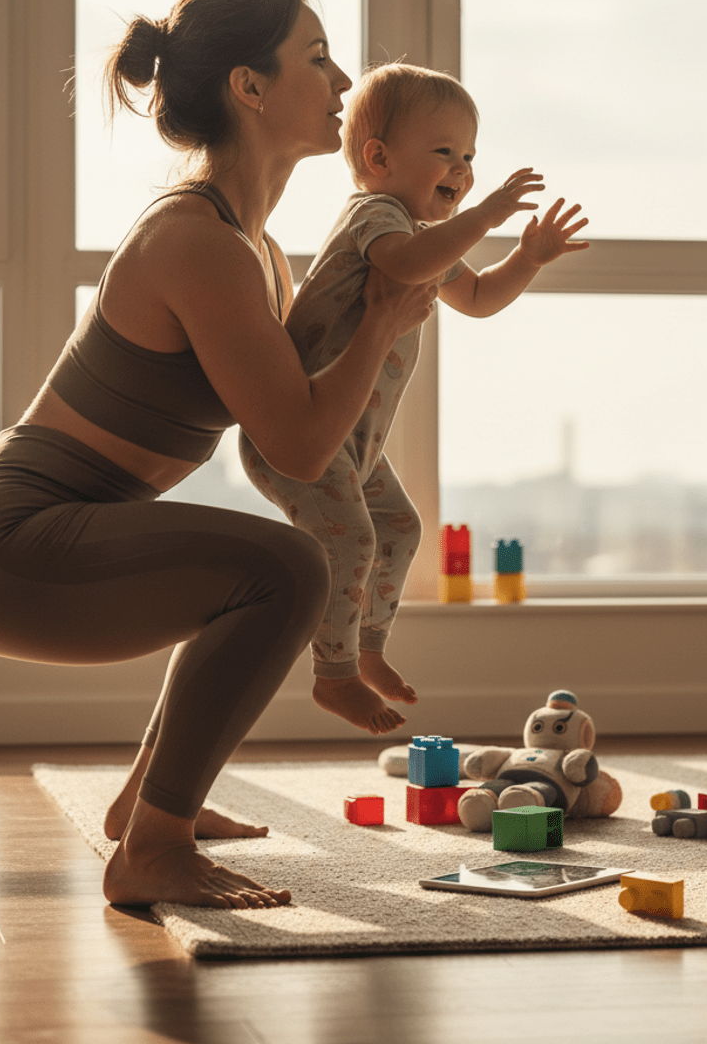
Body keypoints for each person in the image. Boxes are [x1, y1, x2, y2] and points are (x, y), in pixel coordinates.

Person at [0, 0, 438, 911]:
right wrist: (381, 322)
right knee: (282, 568)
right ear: (249, 86)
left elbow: (314, 437)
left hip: (49, 535)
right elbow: (300, 444)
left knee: (251, 570)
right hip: (1, 547)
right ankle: (153, 849)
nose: (342, 79)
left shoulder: (260, 252)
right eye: (316, 59)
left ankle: (147, 808)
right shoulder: (195, 241)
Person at [239, 62, 589, 734]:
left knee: (400, 529)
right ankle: (332, 674)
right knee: (352, 542)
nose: (462, 170)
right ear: (378, 157)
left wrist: (528, 259)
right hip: (298, 437)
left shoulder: (425, 238)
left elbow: (480, 298)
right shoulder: (377, 216)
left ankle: (365, 650)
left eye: (469, 157)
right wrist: (486, 215)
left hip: (353, 446)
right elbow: (399, 266)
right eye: (444, 153)